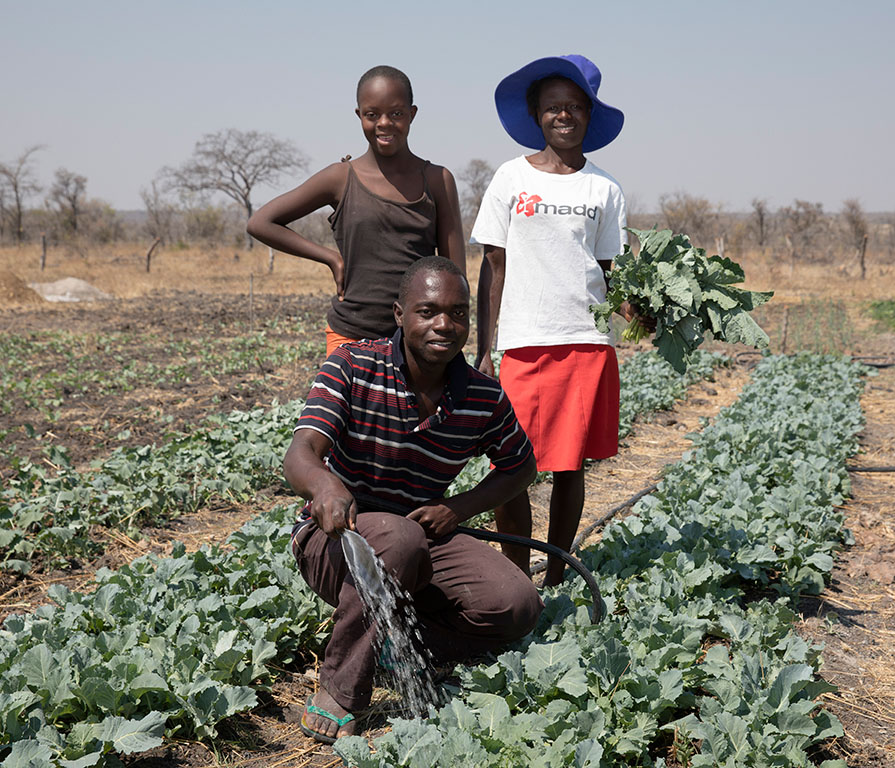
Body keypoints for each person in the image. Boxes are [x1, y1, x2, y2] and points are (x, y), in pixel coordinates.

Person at [284, 256, 542, 743]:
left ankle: (394, 646)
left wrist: (460, 508)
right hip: (337, 540)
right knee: (398, 538)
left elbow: (521, 466)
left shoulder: (482, 396)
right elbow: (302, 450)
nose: (445, 324)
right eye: (428, 311)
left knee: (517, 604)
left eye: (458, 312)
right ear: (399, 313)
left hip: (420, 539)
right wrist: (324, 486)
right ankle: (340, 690)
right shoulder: (354, 366)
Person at [471, 55, 651, 586]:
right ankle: (513, 577)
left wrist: (644, 313)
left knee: (570, 466)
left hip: (585, 341)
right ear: (536, 114)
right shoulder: (510, 177)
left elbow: (608, 272)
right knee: (511, 467)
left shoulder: (604, 189)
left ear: (588, 116)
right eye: (554, 107)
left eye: (574, 107)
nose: (564, 116)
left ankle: (556, 571)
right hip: (523, 342)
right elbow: (493, 265)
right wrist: (485, 348)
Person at [246, 65, 466, 357]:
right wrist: (331, 258)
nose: (384, 123)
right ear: (359, 115)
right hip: (350, 336)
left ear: (412, 114)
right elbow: (261, 222)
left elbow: (455, 274)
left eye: (396, 113)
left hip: (417, 344)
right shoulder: (340, 178)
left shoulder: (437, 180)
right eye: (372, 114)